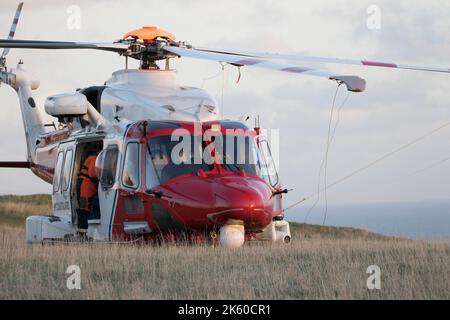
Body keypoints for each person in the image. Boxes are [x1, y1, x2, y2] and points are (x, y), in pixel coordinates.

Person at [76, 151, 99, 239]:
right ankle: (81, 234)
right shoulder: (93, 158)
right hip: (84, 187)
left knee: (84, 209)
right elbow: (92, 173)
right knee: (83, 209)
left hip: (85, 187)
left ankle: (82, 232)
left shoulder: (90, 158)